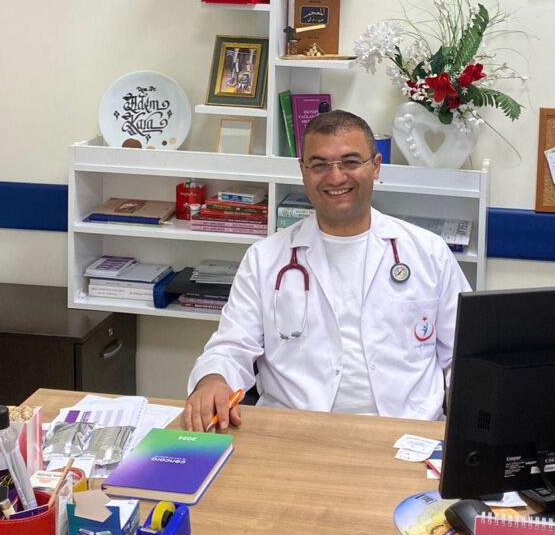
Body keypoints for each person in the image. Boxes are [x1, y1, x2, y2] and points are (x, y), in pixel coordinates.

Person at [183, 110, 470, 431]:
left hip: (407, 433)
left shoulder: (428, 253)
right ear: (303, 170)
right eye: (320, 165)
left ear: (375, 166)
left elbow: (464, 355)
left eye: (350, 162)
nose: (336, 177)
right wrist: (213, 379)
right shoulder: (264, 259)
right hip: (294, 432)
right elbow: (231, 346)